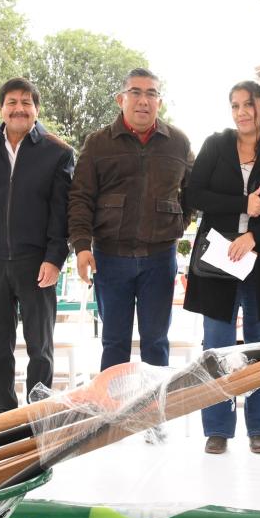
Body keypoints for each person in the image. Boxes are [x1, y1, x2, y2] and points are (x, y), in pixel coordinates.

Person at [184, 81, 260, 455]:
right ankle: (217, 428)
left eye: (248, 105)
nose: (241, 112)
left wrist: (254, 235)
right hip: (218, 260)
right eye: (234, 106)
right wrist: (241, 205)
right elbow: (194, 194)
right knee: (215, 345)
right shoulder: (216, 144)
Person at [0, 78, 75, 413]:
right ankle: (3, 419)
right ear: (1, 108)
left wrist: (54, 258)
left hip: (37, 262)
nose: (19, 108)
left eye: (26, 102)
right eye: (12, 102)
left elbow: (61, 213)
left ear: (36, 109)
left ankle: (38, 417)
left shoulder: (58, 151)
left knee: (41, 347)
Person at [68, 68, 193, 374]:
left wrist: (176, 221)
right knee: (113, 342)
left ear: (159, 102)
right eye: (136, 92)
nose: (143, 100)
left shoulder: (178, 142)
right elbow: (80, 197)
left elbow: (193, 190)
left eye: (151, 93)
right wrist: (82, 246)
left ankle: (154, 417)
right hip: (110, 258)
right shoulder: (98, 143)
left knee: (156, 341)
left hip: (160, 259)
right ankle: (114, 417)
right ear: (120, 99)